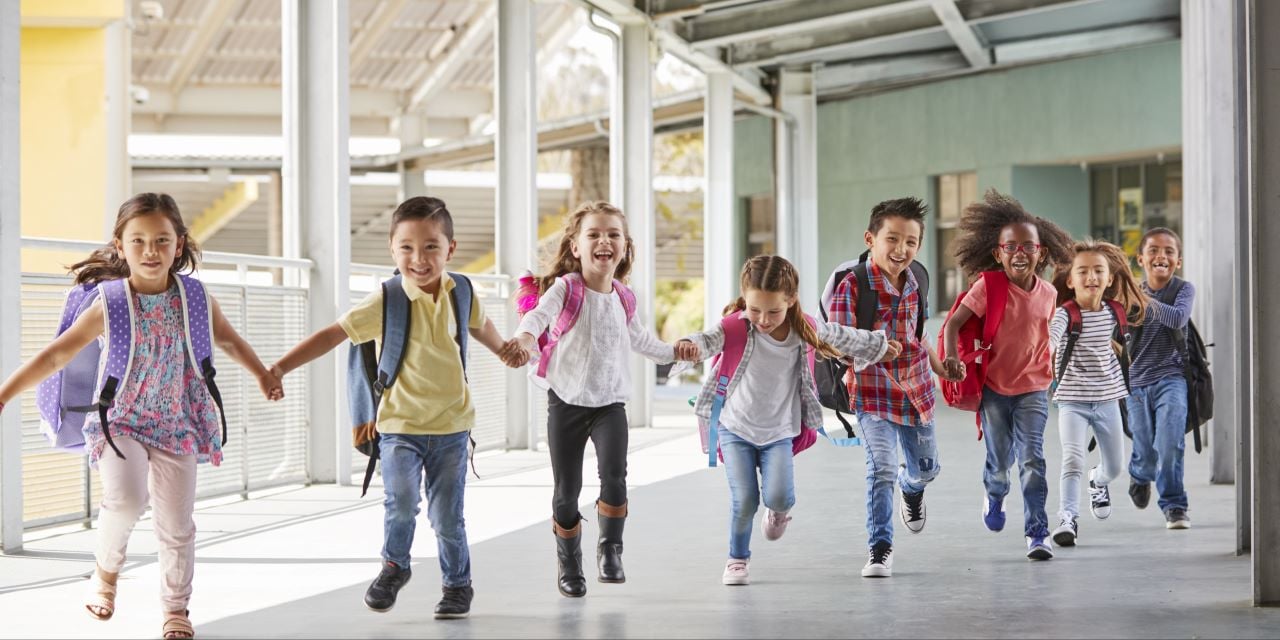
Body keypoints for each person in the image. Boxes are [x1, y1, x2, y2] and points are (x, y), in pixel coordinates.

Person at [0, 193, 283, 639]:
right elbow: (56, 355)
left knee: (176, 523)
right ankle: (105, 574)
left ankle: (176, 609)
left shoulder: (194, 297)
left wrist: (263, 374)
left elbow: (227, 339)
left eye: (161, 241)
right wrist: (4, 394)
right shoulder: (110, 302)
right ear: (120, 246)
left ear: (179, 244)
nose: (150, 251)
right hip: (119, 421)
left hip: (178, 421)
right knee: (127, 500)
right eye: (138, 241)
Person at [270, 196, 526, 619]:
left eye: (430, 246)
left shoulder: (461, 290)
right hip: (399, 427)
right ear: (392, 249)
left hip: (452, 428)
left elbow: (480, 326)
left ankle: (457, 585)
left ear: (450, 249)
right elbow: (332, 335)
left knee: (448, 518)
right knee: (401, 502)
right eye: (406, 247)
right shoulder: (385, 301)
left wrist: (504, 351)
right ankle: (394, 565)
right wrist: (280, 367)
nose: (418, 258)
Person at [677, 255, 899, 585]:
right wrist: (689, 346)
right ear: (744, 297)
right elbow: (707, 339)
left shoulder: (803, 329)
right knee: (745, 500)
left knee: (779, 495)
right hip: (734, 427)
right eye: (755, 310)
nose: (763, 320)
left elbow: (841, 336)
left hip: (778, 431)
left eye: (773, 311)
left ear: (791, 300)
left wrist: (880, 346)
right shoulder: (735, 327)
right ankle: (737, 559)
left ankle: (779, 511)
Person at [509, 201, 680, 598]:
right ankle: (569, 561)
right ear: (576, 247)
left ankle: (610, 549)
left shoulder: (624, 297)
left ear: (624, 247)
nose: (604, 240)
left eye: (613, 234)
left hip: (609, 405)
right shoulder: (566, 288)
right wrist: (524, 336)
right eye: (594, 234)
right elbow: (537, 317)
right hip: (566, 402)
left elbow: (642, 341)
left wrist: (677, 351)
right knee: (566, 492)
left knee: (616, 479)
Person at [828, 197, 961, 578]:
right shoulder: (852, 285)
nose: (901, 250)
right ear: (871, 238)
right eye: (892, 239)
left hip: (916, 389)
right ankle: (880, 548)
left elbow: (918, 337)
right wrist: (876, 349)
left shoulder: (916, 279)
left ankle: (913, 487)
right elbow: (836, 341)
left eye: (911, 242)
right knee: (880, 467)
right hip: (871, 391)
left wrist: (943, 369)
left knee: (927, 469)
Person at [942, 189, 1073, 560]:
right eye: (1011, 246)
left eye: (1028, 246)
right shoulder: (989, 286)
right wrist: (952, 359)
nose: (1020, 252)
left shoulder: (1048, 293)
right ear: (999, 253)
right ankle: (995, 495)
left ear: (1041, 252)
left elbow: (1048, 336)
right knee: (1000, 463)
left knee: (1033, 459)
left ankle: (1037, 533)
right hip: (995, 389)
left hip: (1034, 389)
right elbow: (953, 324)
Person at [1047, 240, 1147, 546]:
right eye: (1083, 271)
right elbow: (1051, 335)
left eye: (1098, 270)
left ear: (1109, 279)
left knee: (1115, 466)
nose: (1091, 276)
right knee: (1072, 459)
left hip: (1107, 399)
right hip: (1072, 400)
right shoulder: (1066, 314)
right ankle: (1067, 519)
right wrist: (1046, 351)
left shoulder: (1115, 312)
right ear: (1070, 279)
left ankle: (1097, 480)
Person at [1125, 227, 1195, 529]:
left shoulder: (1183, 290)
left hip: (1172, 378)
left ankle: (1175, 505)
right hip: (1137, 381)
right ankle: (1140, 474)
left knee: (1170, 443)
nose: (1161, 256)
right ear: (1141, 258)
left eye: (1169, 251)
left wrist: (1143, 300)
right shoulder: (1129, 294)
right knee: (1144, 446)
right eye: (1153, 250)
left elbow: (1178, 318)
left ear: (1177, 261)